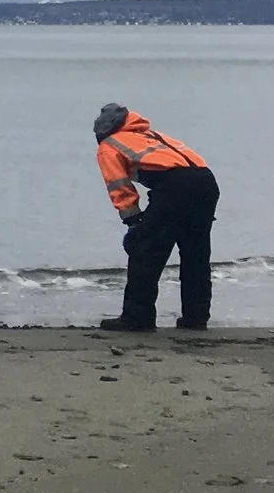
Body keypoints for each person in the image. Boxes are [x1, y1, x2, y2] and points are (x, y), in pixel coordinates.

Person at [93, 104, 220, 332]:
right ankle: (196, 318)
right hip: (206, 182)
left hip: (175, 188)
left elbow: (118, 185)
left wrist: (133, 221)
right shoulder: (151, 136)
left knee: (144, 249)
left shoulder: (108, 145)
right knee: (195, 253)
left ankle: (137, 317)